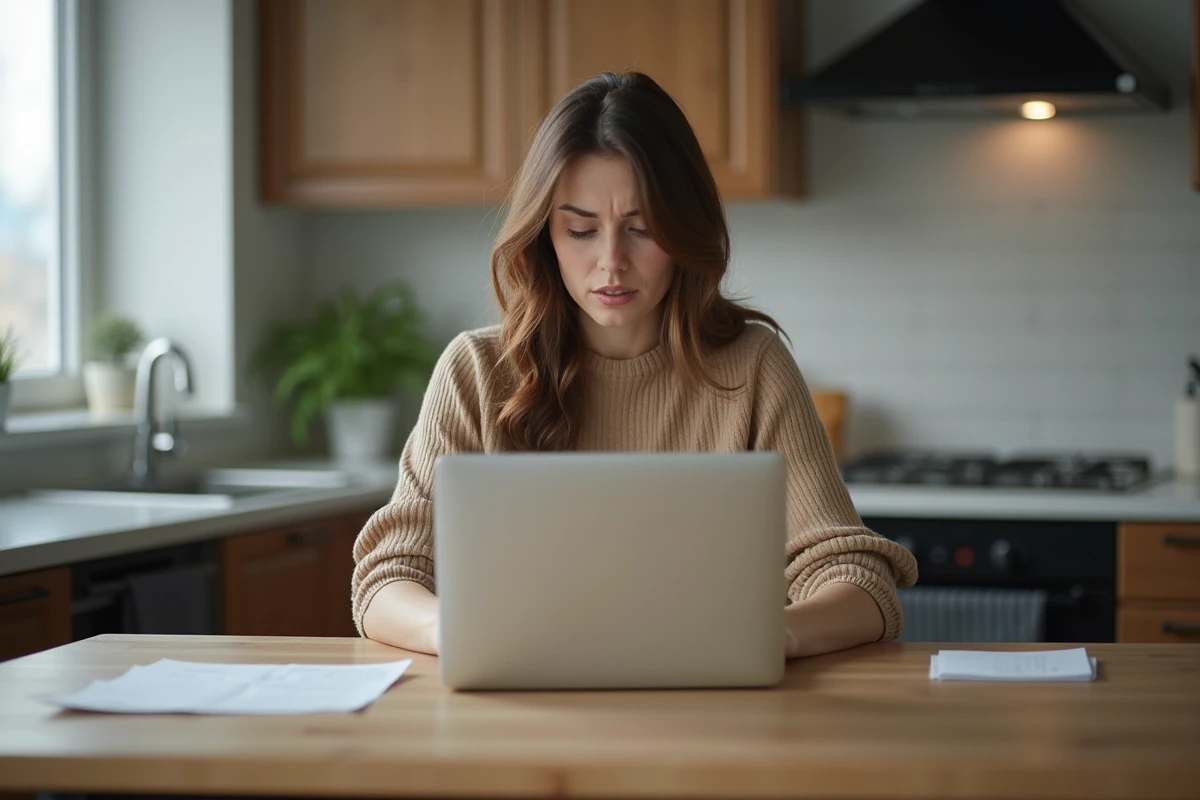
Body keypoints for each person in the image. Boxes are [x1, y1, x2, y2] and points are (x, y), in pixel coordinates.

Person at [352, 71, 918, 659]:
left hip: (714, 717)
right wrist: (460, 632)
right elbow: (387, 580)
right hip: (522, 716)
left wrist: (778, 633)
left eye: (641, 229)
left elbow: (857, 579)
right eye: (580, 230)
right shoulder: (475, 372)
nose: (612, 263)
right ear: (544, 235)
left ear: (683, 230)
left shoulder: (754, 366)